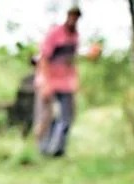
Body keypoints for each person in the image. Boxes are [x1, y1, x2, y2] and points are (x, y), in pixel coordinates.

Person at [34, 6, 82, 157]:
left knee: (67, 116)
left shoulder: (75, 36)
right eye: (71, 16)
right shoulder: (55, 33)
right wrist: (45, 83)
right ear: (67, 16)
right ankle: (42, 150)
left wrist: (75, 80)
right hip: (50, 80)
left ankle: (58, 150)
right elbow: (44, 58)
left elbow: (71, 61)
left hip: (66, 82)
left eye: (76, 17)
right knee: (46, 116)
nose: (73, 20)